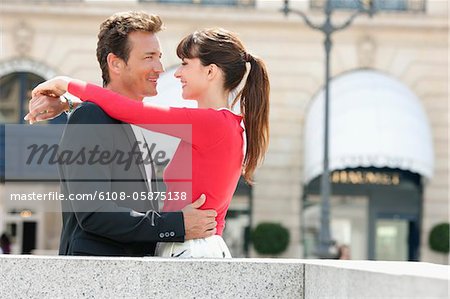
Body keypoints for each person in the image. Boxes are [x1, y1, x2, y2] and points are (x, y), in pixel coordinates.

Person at [29, 26, 270, 258]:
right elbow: (121, 113)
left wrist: (66, 84)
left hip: (190, 246)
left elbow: (131, 110)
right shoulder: (222, 124)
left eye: (185, 64)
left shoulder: (212, 123)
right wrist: (70, 104)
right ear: (116, 63)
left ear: (210, 72)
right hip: (186, 245)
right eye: (149, 57)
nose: (173, 72)